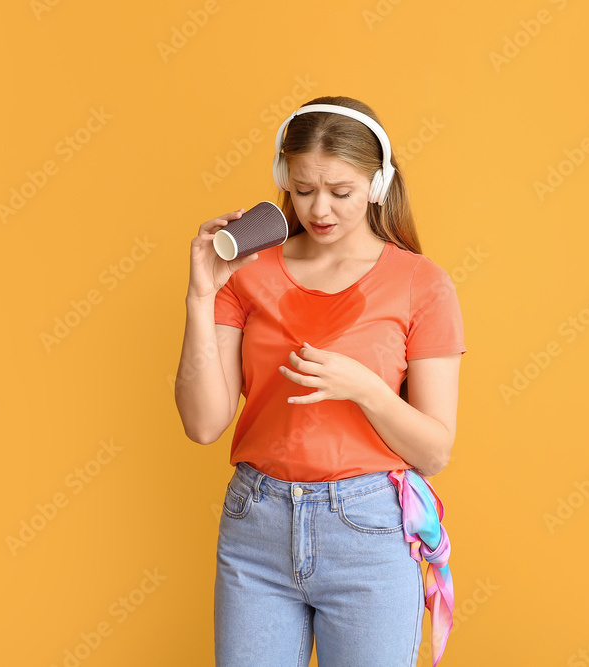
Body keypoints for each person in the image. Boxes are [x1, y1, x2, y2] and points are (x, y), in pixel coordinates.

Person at [175, 95, 466, 666]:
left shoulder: (422, 285)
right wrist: (201, 295)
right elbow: (204, 423)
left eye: (341, 192)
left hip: (369, 532)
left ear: (377, 184)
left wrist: (368, 390)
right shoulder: (247, 274)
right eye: (303, 190)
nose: (320, 209)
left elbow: (434, 451)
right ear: (284, 178)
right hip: (256, 525)